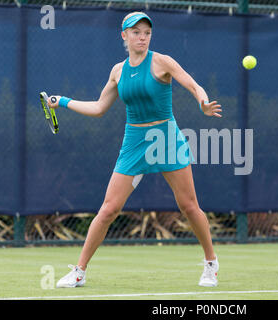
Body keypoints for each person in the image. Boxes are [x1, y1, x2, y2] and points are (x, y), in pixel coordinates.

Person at [50, 12, 222, 288]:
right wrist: (63, 101)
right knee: (108, 210)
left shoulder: (162, 62)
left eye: (146, 32)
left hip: (166, 138)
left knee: (188, 206)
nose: (142, 37)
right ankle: (79, 272)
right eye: (136, 32)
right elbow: (98, 108)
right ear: (124, 36)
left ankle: (211, 263)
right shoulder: (118, 71)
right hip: (134, 141)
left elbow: (192, 84)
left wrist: (202, 101)